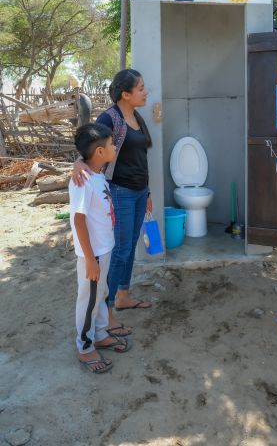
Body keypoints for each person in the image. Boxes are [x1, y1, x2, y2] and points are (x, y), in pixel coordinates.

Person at [72, 69, 152, 338]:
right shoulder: (110, 117)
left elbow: (141, 156)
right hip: (120, 191)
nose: (146, 92)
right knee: (119, 250)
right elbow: (89, 145)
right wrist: (77, 163)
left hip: (140, 191)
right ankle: (107, 312)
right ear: (125, 94)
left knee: (129, 246)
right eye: (141, 88)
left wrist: (148, 191)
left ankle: (123, 296)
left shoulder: (137, 116)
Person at [70, 123, 131, 374]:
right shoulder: (83, 180)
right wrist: (91, 259)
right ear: (99, 152)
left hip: (103, 250)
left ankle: (100, 334)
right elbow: (78, 219)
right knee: (88, 300)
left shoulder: (95, 174)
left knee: (100, 294)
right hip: (92, 254)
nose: (114, 146)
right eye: (111, 144)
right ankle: (85, 347)